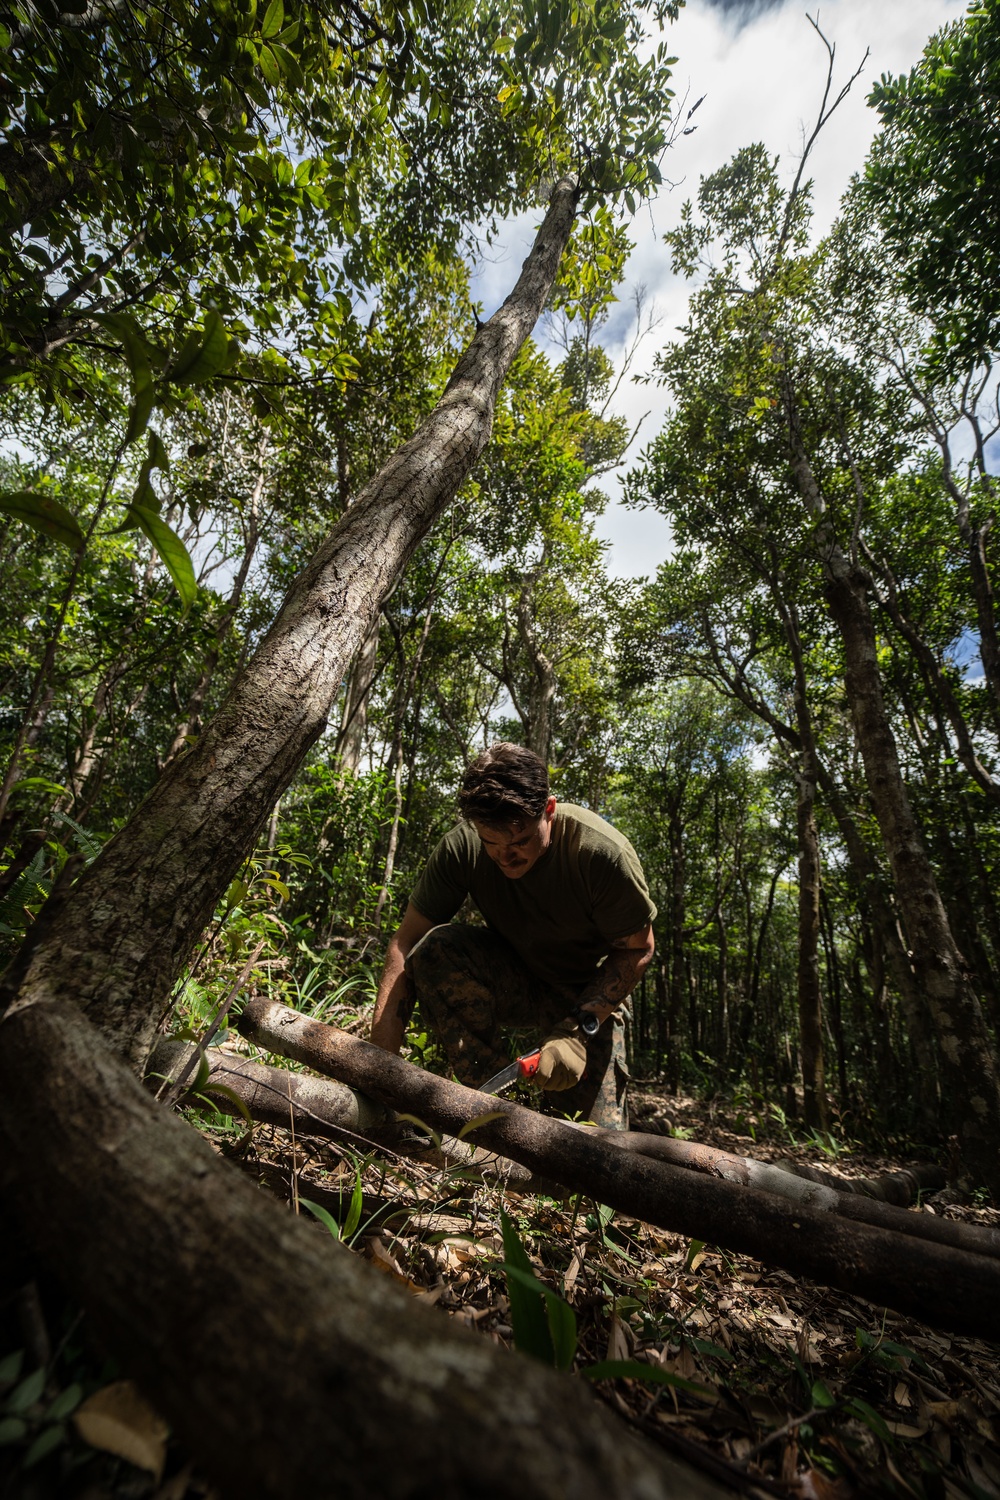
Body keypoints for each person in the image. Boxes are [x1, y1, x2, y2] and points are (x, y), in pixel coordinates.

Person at [370, 742, 656, 1130]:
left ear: (548, 810)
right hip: (516, 977)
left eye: (520, 841)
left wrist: (577, 1031)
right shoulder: (462, 849)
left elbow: (639, 949)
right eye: (492, 843)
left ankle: (641, 1131)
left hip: (587, 990)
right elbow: (405, 944)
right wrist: (377, 1068)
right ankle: (497, 1113)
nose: (506, 857)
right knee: (436, 949)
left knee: (593, 1151)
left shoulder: (600, 854)